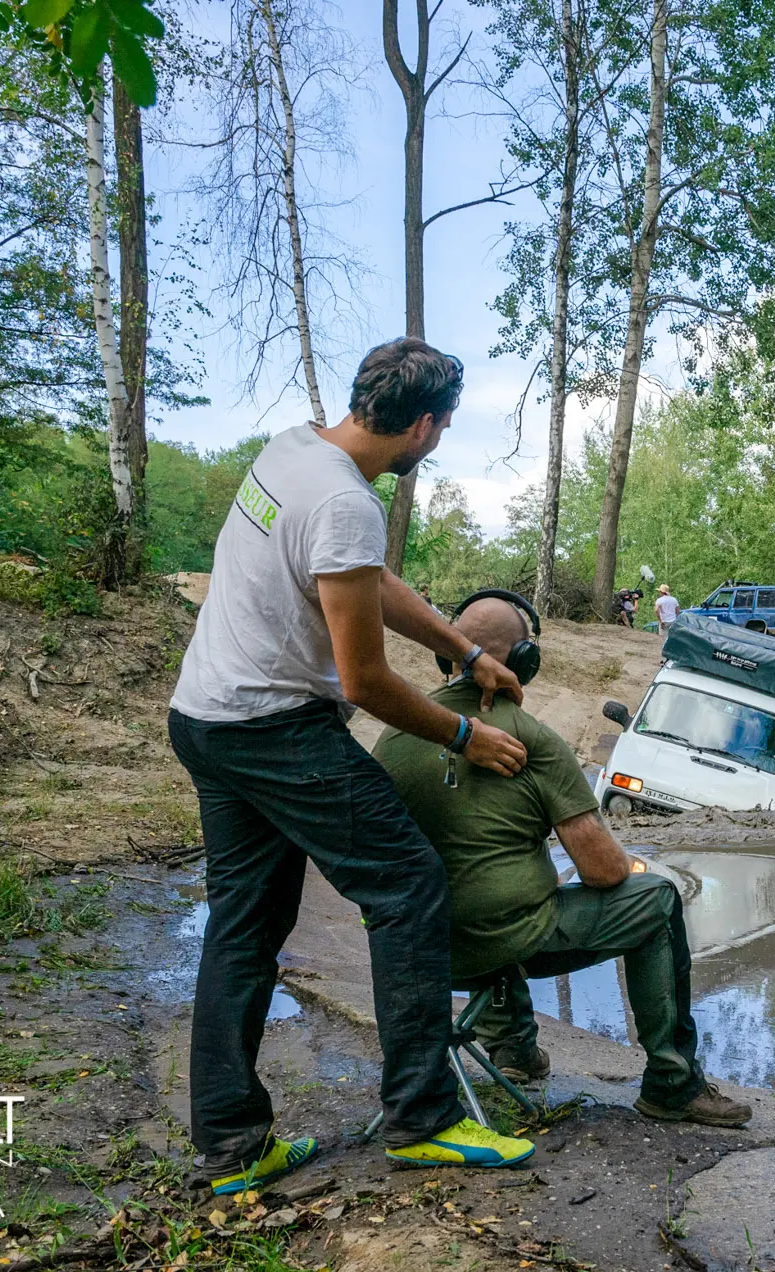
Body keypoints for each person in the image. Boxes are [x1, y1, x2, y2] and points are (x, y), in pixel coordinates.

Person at [167, 339, 539, 1193]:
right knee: (406, 883)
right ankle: (425, 1117)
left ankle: (230, 1145)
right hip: (272, 727)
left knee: (244, 925)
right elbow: (367, 681)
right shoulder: (347, 504)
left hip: (205, 715)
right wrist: (462, 737)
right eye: (440, 427)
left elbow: (362, 578)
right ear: (424, 425)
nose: (437, 440)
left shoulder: (297, 449)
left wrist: (457, 645)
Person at [375, 591, 752, 1129]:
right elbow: (606, 873)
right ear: (525, 662)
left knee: (499, 888)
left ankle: (514, 1050)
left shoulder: (395, 735)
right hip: (502, 940)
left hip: (416, 952)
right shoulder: (533, 739)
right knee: (654, 900)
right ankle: (672, 1082)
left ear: (447, 655)